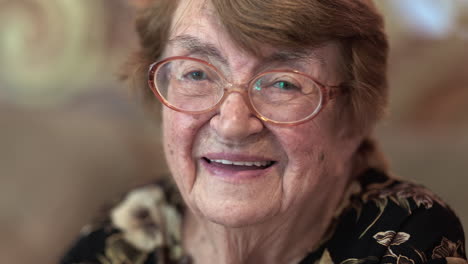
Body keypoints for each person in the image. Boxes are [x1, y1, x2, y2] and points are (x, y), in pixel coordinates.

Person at [60, 0, 467, 263]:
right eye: (197, 73)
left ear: (351, 119)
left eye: (284, 83)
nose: (234, 123)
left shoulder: (405, 235)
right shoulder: (127, 228)